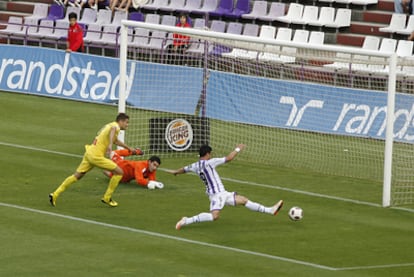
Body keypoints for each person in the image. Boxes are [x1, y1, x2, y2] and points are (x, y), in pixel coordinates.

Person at [169, 144, 284, 230]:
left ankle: (270, 210)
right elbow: (228, 158)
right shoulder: (210, 162)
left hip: (223, 193)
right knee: (214, 216)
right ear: (208, 154)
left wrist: (176, 172)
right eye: (211, 153)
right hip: (216, 195)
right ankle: (186, 220)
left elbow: (184, 169)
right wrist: (237, 149)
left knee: (243, 200)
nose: (211, 155)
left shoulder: (194, 165)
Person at [49, 113, 134, 207]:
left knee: (77, 175)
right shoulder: (115, 126)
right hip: (96, 156)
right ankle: (107, 197)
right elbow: (113, 131)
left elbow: (115, 140)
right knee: (119, 172)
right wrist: (110, 145)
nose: (127, 125)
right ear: (120, 121)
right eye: (126, 122)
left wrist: (129, 148)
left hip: (89, 153)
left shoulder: (109, 125)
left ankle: (55, 194)